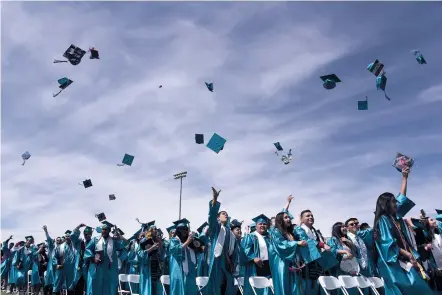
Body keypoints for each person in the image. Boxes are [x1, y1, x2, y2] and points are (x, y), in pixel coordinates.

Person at [373, 192, 434, 294]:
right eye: (393, 201)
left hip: (399, 260)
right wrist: (408, 254)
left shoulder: (391, 219)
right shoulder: (383, 219)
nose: (396, 204)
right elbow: (387, 244)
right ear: (386, 203)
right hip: (393, 263)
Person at [84, 223, 129, 295]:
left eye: (106, 229)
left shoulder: (114, 241)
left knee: (109, 288)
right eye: (102, 229)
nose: (103, 231)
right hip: (98, 268)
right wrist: (93, 258)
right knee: (96, 287)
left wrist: (119, 235)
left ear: (109, 231)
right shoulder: (95, 240)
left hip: (110, 269)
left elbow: (125, 244)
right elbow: (88, 249)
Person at [206, 187, 236, 295]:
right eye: (223, 213)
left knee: (227, 284)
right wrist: (214, 199)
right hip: (217, 259)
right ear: (218, 217)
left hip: (226, 261)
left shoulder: (229, 232)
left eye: (227, 214)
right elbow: (211, 217)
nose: (226, 215)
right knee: (216, 284)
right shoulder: (216, 227)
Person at [295, 210, 332, 295]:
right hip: (306, 263)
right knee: (307, 287)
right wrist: (322, 245)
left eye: (311, 215)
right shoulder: (299, 230)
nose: (310, 217)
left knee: (316, 286)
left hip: (316, 263)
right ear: (301, 219)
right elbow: (308, 240)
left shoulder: (315, 231)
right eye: (307, 216)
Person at [271, 210, 307, 295]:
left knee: (295, 287)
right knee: (285, 287)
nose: (289, 219)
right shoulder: (276, 231)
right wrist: (296, 243)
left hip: (293, 262)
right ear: (280, 220)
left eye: (289, 217)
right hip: (282, 263)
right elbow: (281, 245)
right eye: (286, 217)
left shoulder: (290, 233)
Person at [241, 214, 274, 295]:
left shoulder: (270, 237)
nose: (262, 225)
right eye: (260, 224)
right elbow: (244, 249)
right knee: (257, 289)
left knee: (269, 288)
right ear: (256, 226)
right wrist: (253, 258)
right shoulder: (251, 236)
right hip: (255, 266)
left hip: (269, 266)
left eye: (264, 224)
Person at [52, 224, 86, 294]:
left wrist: (78, 227)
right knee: (63, 286)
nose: (68, 237)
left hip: (75, 268)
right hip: (64, 269)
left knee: (76, 286)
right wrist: (56, 264)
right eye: (66, 236)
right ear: (64, 237)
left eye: (69, 236)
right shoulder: (60, 247)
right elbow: (54, 256)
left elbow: (74, 235)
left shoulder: (76, 244)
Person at [168, 218, 198, 295]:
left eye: (186, 229)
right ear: (178, 230)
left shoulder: (190, 242)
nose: (185, 231)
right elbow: (175, 250)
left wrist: (195, 243)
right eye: (182, 229)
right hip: (178, 269)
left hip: (190, 271)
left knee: (190, 289)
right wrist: (188, 241)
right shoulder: (174, 240)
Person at [138, 225, 164, 295]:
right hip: (148, 267)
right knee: (148, 288)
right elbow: (139, 254)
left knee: (156, 287)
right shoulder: (144, 240)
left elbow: (162, 254)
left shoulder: (157, 241)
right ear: (150, 230)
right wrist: (151, 248)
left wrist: (161, 244)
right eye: (154, 229)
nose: (156, 231)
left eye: (156, 229)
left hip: (157, 267)